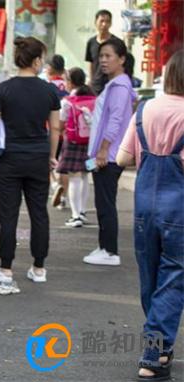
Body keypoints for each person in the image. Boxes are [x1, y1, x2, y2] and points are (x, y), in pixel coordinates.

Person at [116, 50, 184, 382]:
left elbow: (122, 157)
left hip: (144, 208)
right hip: (179, 210)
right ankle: (153, 354)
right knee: (172, 280)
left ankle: (159, 346)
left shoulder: (145, 109)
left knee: (151, 277)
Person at [0, 37, 60, 285]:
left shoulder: (4, 89)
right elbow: (56, 128)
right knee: (39, 213)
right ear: (37, 60)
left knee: (9, 213)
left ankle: (5, 268)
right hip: (38, 157)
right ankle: (39, 268)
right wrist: (51, 156)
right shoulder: (49, 90)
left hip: (10, 159)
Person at [83, 39, 135, 267]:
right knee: (103, 202)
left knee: (105, 203)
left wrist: (103, 150)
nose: (103, 60)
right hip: (107, 153)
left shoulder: (120, 86)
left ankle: (110, 251)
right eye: (101, 56)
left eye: (108, 56)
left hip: (109, 155)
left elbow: (114, 121)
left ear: (122, 59)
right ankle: (104, 246)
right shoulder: (115, 84)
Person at [54, 67, 95, 228]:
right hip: (91, 143)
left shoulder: (67, 102)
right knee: (85, 175)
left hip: (72, 143)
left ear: (70, 82)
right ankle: (83, 212)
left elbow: (60, 124)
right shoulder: (94, 99)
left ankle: (75, 214)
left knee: (74, 177)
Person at [46, 54, 70, 210]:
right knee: (64, 165)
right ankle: (65, 198)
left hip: (52, 129)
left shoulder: (48, 86)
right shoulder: (68, 86)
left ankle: (55, 184)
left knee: (48, 161)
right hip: (68, 132)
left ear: (51, 68)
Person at [85, 9, 122, 95]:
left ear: (111, 24)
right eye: (101, 21)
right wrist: (91, 80)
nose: (104, 24)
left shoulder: (117, 43)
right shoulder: (91, 42)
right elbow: (90, 63)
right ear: (96, 22)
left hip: (112, 85)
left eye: (107, 21)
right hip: (96, 87)